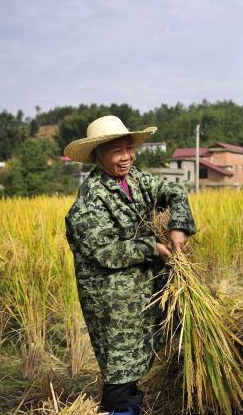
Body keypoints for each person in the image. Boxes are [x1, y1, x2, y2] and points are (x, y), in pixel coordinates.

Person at [64, 116, 196, 415]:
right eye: (116, 151)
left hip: (146, 287)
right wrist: (153, 247)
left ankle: (133, 403)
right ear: (98, 156)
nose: (126, 157)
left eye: (128, 148)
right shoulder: (90, 200)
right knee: (120, 365)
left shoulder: (137, 179)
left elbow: (174, 192)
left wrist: (179, 226)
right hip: (113, 299)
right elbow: (104, 251)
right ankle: (118, 409)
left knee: (142, 355)